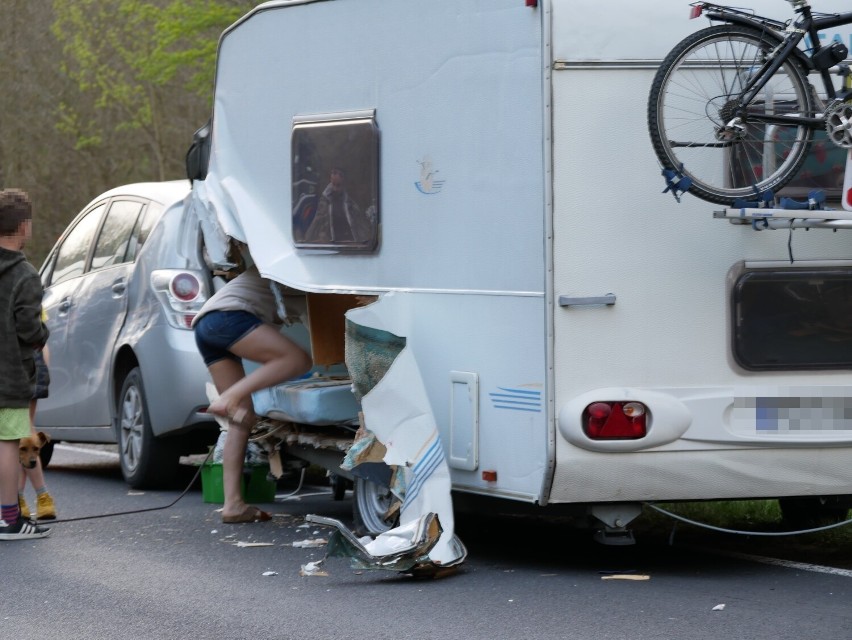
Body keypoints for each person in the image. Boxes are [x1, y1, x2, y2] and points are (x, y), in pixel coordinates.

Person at [193, 261, 311, 523]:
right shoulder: (302, 271)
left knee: (242, 418)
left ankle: (233, 505)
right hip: (228, 317)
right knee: (298, 360)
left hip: (205, 325)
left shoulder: (279, 262)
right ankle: (229, 397)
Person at [0, 188, 50, 540]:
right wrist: (42, 335)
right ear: (24, 228)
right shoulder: (25, 275)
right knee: (6, 444)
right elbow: (29, 328)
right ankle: (9, 519)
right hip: (8, 376)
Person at [19, 346, 56, 520]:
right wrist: (42, 365)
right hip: (33, 358)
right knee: (24, 431)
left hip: (13, 363)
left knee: (16, 436)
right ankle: (41, 499)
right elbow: (40, 336)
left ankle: (18, 502)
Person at [303, 167, 374, 246]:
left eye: (338, 186)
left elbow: (359, 225)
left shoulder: (349, 203)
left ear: (343, 184)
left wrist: (364, 241)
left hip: (349, 243)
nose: (335, 189)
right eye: (333, 185)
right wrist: (309, 238)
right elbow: (317, 221)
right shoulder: (325, 201)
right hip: (331, 244)